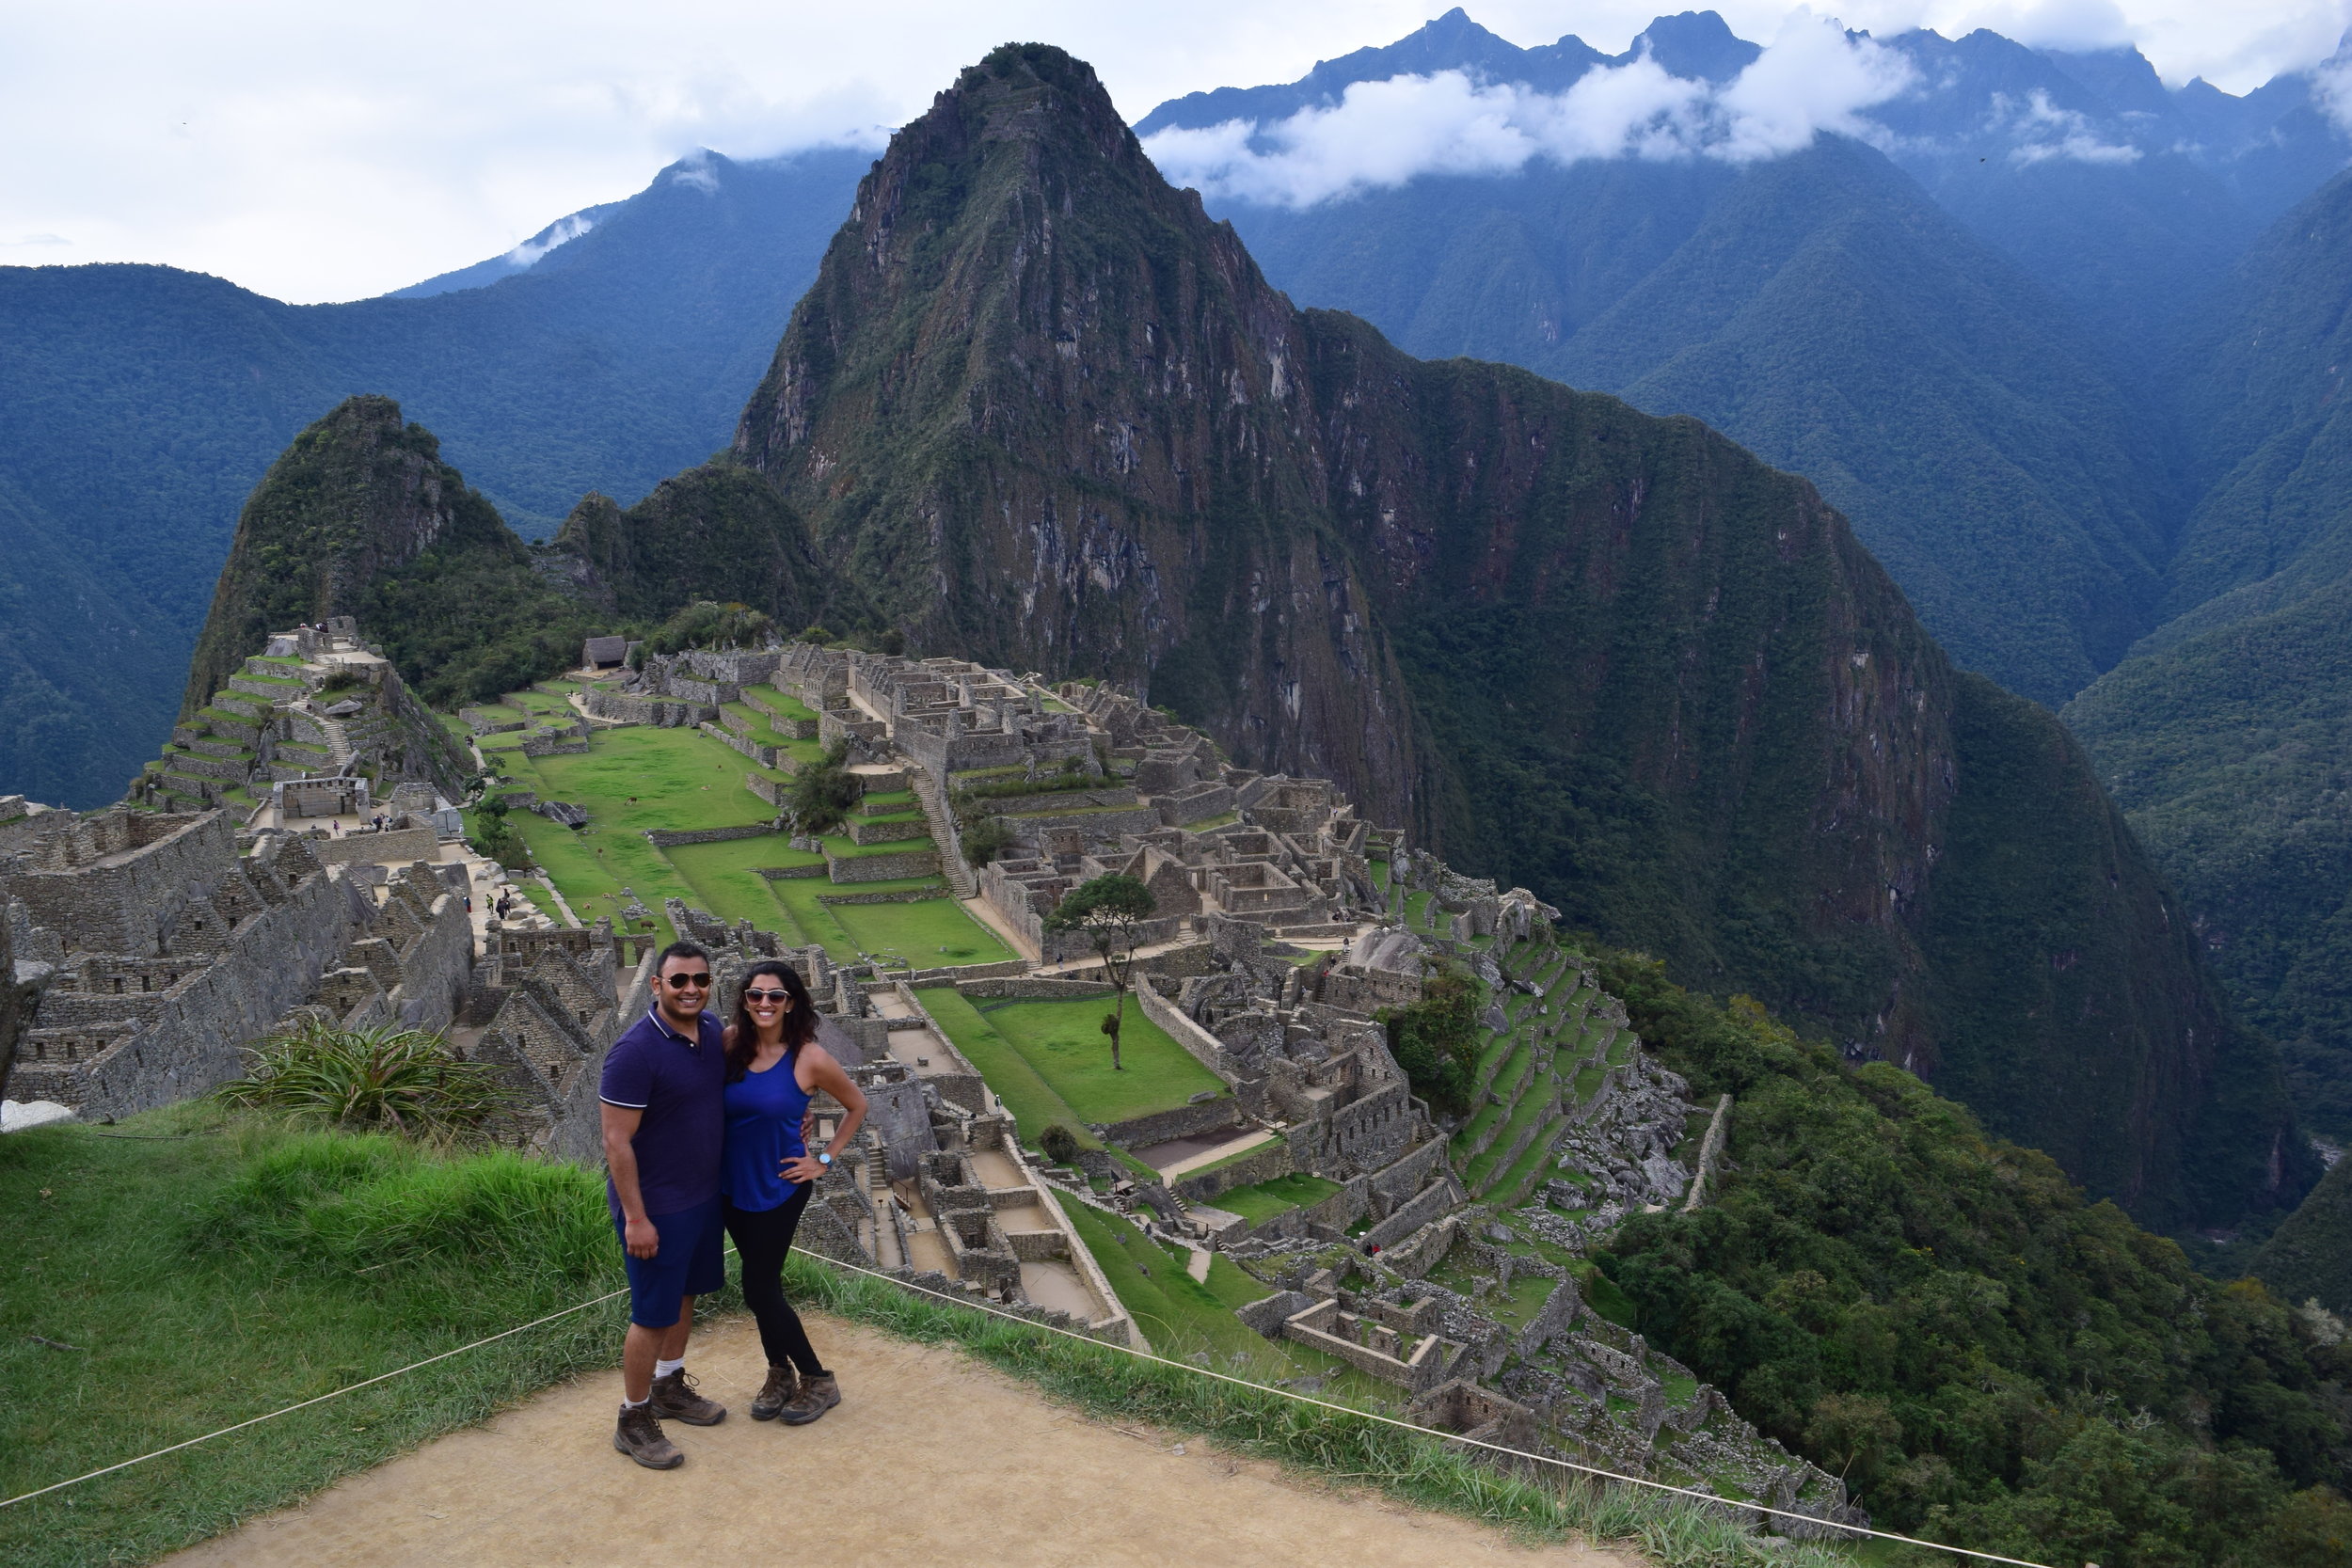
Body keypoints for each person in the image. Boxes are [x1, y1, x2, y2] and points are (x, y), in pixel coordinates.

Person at [599, 942, 730, 1469]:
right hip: (655, 1206)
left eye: (700, 979)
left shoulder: (711, 1034)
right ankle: (632, 1418)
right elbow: (615, 1141)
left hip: (701, 1197)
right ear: (657, 986)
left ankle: (668, 1386)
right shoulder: (634, 1053)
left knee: (686, 1296)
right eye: (679, 981)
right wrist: (636, 1217)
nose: (691, 989)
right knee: (651, 1315)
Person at [722, 959, 867, 1425]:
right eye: (755, 994)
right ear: (744, 999)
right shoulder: (728, 1045)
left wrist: (823, 1160)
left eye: (775, 996)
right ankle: (779, 1373)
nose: (764, 1003)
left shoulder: (810, 1058)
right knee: (763, 1285)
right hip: (729, 1184)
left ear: (791, 1003)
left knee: (758, 1286)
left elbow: (856, 1105)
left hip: (781, 1185)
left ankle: (817, 1377)